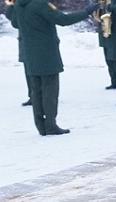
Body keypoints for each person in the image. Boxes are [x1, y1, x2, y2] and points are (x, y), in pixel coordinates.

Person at [12, 0, 97, 136]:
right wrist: (86, 11)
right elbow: (63, 19)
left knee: (36, 91)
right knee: (50, 90)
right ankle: (51, 125)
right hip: (46, 52)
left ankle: (41, 126)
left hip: (30, 53)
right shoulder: (39, 4)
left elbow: (15, 23)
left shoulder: (18, 4)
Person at [4, 2, 31, 105]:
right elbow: (12, 18)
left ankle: (46, 95)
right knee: (29, 70)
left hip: (40, 40)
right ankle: (34, 95)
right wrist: (12, 4)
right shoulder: (19, 3)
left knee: (43, 72)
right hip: (26, 40)